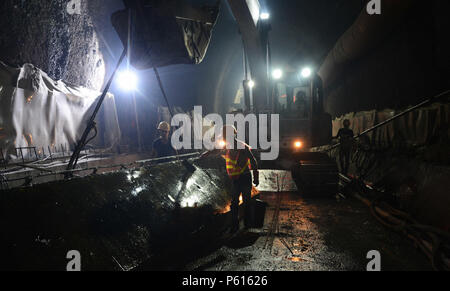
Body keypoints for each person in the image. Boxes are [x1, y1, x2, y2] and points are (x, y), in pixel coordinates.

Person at [201, 125, 259, 233]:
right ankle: (235, 226)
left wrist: (256, 176)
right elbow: (217, 150)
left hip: (245, 177)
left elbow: (253, 160)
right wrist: (207, 153)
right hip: (235, 179)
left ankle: (247, 226)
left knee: (246, 201)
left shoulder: (241, 146)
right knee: (234, 202)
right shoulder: (228, 145)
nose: (224, 137)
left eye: (225, 135)